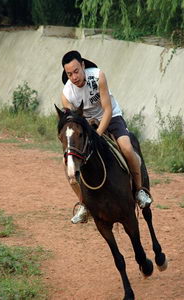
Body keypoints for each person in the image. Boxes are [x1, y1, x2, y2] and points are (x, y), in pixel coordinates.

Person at [61, 50, 152, 224]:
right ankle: (84, 204)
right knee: (67, 162)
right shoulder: (67, 94)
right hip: (86, 124)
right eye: (69, 74)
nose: (74, 77)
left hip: (110, 118)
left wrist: (97, 135)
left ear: (83, 66)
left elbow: (108, 109)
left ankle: (140, 190)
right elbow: (74, 122)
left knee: (126, 146)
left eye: (76, 71)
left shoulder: (98, 76)